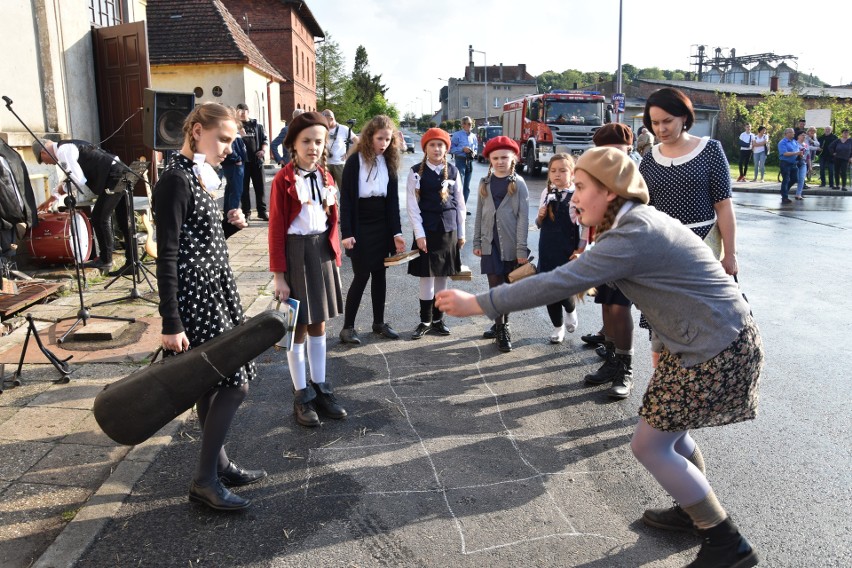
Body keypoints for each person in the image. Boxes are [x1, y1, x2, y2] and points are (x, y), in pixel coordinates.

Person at [436, 147, 763, 568]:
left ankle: (726, 544)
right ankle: (693, 512)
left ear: (610, 192)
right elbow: (674, 290)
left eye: (581, 187)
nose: (573, 197)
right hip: (710, 341)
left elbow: (558, 283)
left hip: (716, 348)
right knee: (672, 433)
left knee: (650, 446)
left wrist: (481, 303)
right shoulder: (632, 225)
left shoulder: (632, 233)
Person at [153, 102, 264, 512]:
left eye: (232, 141)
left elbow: (197, 242)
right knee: (235, 383)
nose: (228, 150)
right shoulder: (174, 181)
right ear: (196, 130)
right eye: (223, 139)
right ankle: (204, 481)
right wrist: (170, 321)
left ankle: (218, 465)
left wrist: (226, 228)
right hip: (196, 300)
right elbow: (167, 256)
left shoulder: (198, 175)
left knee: (210, 383)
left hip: (217, 291)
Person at [639, 87, 738, 369]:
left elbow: (724, 207)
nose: (661, 128)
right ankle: (661, 394)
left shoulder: (710, 150)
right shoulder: (649, 159)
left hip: (702, 250)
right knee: (661, 329)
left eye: (667, 121)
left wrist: (729, 254)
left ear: (684, 116)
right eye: (655, 123)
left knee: (703, 325)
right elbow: (645, 211)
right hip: (663, 253)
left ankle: (695, 396)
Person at [268, 111, 348, 427]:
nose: (313, 147)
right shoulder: (283, 179)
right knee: (297, 327)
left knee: (320, 325)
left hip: (321, 255)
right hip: (295, 254)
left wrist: (335, 257)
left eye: (318, 141)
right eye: (306, 141)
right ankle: (301, 394)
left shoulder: (327, 177)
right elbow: (275, 228)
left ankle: (320, 387)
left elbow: (333, 221)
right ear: (294, 144)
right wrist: (279, 275)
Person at [338, 115, 405, 345]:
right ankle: (347, 328)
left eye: (388, 139)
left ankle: (378, 322)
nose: (384, 143)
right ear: (369, 137)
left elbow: (393, 201)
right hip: (361, 222)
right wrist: (346, 233)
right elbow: (345, 199)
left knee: (380, 274)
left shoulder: (389, 161)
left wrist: (396, 233)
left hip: (382, 223)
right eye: (380, 138)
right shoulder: (355, 161)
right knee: (361, 274)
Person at [583, 123, 639, 399]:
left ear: (629, 149)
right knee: (606, 304)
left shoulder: (637, 174)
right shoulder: (597, 175)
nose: (613, 155)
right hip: (603, 247)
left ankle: (624, 369)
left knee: (619, 307)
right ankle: (611, 361)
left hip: (629, 251)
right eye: (606, 150)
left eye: (618, 150)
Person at [33, 138, 133, 273]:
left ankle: (105, 260)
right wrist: (54, 197)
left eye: (44, 161)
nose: (48, 164)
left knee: (99, 218)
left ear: (43, 152)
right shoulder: (68, 146)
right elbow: (72, 177)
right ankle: (131, 263)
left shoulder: (63, 150)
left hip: (114, 176)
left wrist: (55, 196)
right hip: (121, 171)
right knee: (123, 220)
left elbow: (77, 179)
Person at [406, 128, 465, 340]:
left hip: (448, 230)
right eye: (432, 144)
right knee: (427, 276)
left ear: (446, 149)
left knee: (442, 275)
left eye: (441, 145)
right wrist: (419, 234)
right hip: (427, 230)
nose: (437, 148)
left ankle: (439, 320)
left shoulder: (454, 171)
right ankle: (425, 320)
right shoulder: (415, 172)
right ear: (425, 148)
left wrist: (461, 233)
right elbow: (412, 207)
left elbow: (460, 204)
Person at [472, 136, 530, 353]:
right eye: (495, 158)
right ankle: (500, 328)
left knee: (507, 287)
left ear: (513, 157)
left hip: (511, 245)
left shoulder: (518, 183)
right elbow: (480, 213)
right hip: (489, 244)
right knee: (494, 287)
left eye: (504, 157)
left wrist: (521, 249)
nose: (500, 162)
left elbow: (523, 218)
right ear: (489, 160)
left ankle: (502, 324)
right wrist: (477, 241)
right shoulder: (484, 183)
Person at [535, 153, 584, 345]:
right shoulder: (546, 193)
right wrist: (540, 216)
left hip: (568, 249)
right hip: (547, 247)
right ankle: (557, 327)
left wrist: (581, 250)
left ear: (572, 173)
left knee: (564, 287)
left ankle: (570, 309)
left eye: (563, 170)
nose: (557, 174)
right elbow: (539, 223)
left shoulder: (578, 194)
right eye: (553, 170)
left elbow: (586, 225)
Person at [0, 138, 38, 260]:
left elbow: (8, 187)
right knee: (8, 248)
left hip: (6, 211)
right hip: (12, 209)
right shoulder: (11, 153)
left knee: (6, 250)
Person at [236, 103, 268, 222]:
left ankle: (262, 211)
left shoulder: (257, 125)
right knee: (244, 189)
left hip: (257, 161)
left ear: (248, 112)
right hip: (242, 162)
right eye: (240, 111)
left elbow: (265, 139)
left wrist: (263, 151)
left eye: (244, 111)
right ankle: (246, 212)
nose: (243, 113)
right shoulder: (235, 127)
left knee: (260, 187)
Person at [322, 109, 358, 190]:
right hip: (326, 164)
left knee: (344, 189)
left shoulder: (344, 129)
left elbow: (357, 141)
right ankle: (333, 203)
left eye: (325, 120)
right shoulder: (323, 129)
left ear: (331, 118)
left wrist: (348, 154)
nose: (323, 123)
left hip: (340, 164)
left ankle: (344, 203)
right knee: (327, 189)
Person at [450, 116, 478, 205]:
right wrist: (462, 149)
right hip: (460, 160)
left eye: (471, 123)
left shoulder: (473, 136)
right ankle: (457, 206)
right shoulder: (457, 135)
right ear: (463, 125)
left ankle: (463, 206)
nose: (470, 125)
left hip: (469, 161)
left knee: (467, 186)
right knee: (459, 184)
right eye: (468, 124)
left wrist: (474, 153)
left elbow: (476, 148)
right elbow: (450, 149)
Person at [221, 123, 247, 214]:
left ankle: (227, 212)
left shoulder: (234, 135)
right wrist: (237, 159)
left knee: (230, 188)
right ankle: (232, 213)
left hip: (232, 164)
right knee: (236, 190)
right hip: (234, 165)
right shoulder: (233, 135)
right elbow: (230, 149)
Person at [777, 128, 801, 204]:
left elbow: (797, 151)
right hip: (785, 163)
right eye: (791, 132)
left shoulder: (794, 142)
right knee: (786, 179)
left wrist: (800, 155)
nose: (793, 134)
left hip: (794, 163)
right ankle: (785, 197)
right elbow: (785, 153)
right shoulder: (782, 142)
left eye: (793, 132)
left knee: (795, 179)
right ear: (786, 134)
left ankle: (784, 190)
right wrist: (796, 153)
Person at [794, 132, 809, 200]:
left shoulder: (806, 145)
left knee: (802, 178)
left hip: (803, 163)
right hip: (795, 162)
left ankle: (798, 194)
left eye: (805, 135)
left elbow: (808, 156)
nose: (804, 137)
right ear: (798, 136)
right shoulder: (795, 143)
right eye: (802, 135)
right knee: (794, 178)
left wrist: (810, 166)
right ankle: (785, 191)